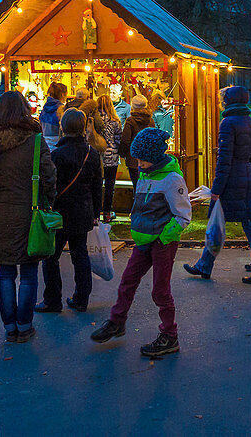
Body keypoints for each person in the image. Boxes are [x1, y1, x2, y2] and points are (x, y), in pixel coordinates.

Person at [91, 127, 191, 358]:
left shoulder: (172, 179)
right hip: (143, 239)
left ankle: (170, 335)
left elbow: (183, 215)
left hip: (162, 242)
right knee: (127, 281)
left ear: (154, 157)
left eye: (142, 159)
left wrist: (164, 237)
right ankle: (117, 321)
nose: (138, 163)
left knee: (160, 290)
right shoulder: (145, 174)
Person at [0, 91, 56, 343]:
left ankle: (10, 327)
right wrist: (49, 199)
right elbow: (49, 175)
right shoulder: (35, 140)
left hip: (3, 210)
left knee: (5, 274)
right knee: (28, 273)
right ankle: (24, 325)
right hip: (30, 210)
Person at [184, 86, 251, 285]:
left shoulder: (228, 123)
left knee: (217, 222)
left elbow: (224, 160)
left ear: (229, 101)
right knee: (249, 225)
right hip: (246, 177)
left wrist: (216, 190)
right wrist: (250, 177)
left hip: (231, 180)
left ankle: (205, 266)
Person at [37, 108, 101, 314]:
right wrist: (96, 213)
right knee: (80, 255)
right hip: (83, 212)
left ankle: (52, 299)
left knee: (50, 257)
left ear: (63, 128)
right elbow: (97, 187)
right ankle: (81, 298)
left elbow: (53, 187)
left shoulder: (58, 154)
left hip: (61, 213)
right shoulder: (92, 154)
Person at [119, 95, 155, 192]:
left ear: (133, 106)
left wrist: (122, 153)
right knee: (146, 187)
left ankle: (138, 205)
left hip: (133, 159)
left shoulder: (130, 120)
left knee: (136, 186)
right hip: (148, 159)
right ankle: (146, 205)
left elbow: (125, 140)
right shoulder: (150, 121)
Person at [96, 94, 123, 223]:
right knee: (110, 185)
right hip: (111, 156)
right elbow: (119, 140)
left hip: (96, 156)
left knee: (96, 185)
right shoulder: (115, 121)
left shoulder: (93, 120)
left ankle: (95, 214)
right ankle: (107, 213)